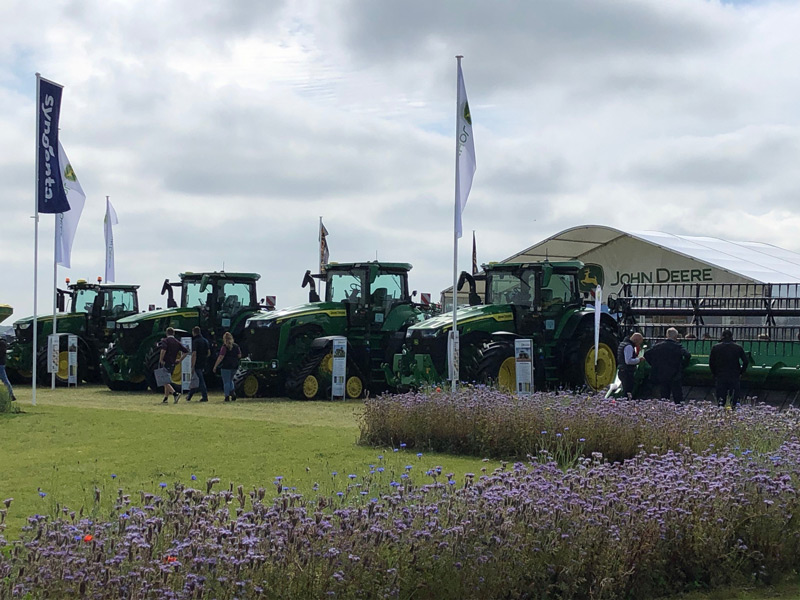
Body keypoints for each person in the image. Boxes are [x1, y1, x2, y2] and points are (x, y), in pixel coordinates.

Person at [644, 327, 691, 404]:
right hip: (675, 374)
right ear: (676, 336)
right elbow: (688, 355)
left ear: (667, 335)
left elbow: (647, 354)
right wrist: (683, 365)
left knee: (664, 396)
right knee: (678, 396)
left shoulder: (658, 346)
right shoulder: (678, 346)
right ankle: (679, 412)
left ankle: (665, 412)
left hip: (662, 373)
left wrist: (654, 364)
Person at [709, 329, 748, 409]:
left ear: (722, 337)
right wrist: (741, 372)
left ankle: (721, 415)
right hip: (734, 376)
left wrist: (714, 373)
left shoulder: (716, 348)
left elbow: (711, 363)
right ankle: (733, 414)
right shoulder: (738, 347)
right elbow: (745, 361)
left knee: (721, 400)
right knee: (734, 399)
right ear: (731, 337)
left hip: (720, 376)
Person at [157, 327, 189, 404]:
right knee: (167, 380)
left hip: (166, 362)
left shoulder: (165, 341)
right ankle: (166, 398)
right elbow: (186, 351)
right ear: (173, 333)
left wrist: (161, 359)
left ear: (166, 333)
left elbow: (163, 350)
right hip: (173, 363)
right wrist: (180, 360)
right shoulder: (177, 342)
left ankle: (175, 393)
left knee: (164, 380)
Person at [213, 331, 241, 402]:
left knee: (226, 382)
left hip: (226, 366)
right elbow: (239, 355)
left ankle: (227, 396)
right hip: (234, 366)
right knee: (230, 380)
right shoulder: (236, 346)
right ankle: (233, 393)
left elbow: (221, 357)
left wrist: (215, 366)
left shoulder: (224, 347)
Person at [186, 326, 210, 403]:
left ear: (194, 332)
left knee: (200, 380)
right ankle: (189, 396)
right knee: (195, 379)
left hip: (197, 363)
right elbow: (209, 353)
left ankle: (205, 396)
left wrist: (192, 365)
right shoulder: (205, 341)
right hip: (203, 362)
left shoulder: (195, 341)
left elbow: (194, 354)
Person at [616, 332, 643, 399]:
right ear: (636, 340)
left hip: (622, 370)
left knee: (625, 390)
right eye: (639, 343)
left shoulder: (622, 344)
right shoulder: (629, 346)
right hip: (627, 372)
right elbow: (628, 361)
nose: (638, 345)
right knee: (627, 392)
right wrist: (639, 360)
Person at [0, 337, 16, 401]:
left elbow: (1, 353)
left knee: (5, 380)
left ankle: (11, 395)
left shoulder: (2, 343)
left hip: (0, 364)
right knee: (5, 380)